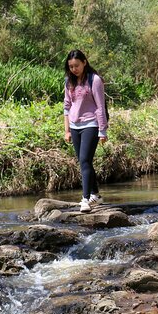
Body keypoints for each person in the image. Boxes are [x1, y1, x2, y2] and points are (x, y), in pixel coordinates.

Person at [63, 49, 109, 213]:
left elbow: (100, 106)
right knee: (85, 162)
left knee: (84, 160)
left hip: (91, 124)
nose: (73, 69)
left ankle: (85, 199)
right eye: (70, 66)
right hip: (75, 126)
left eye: (76, 65)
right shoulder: (69, 81)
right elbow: (67, 106)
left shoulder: (95, 80)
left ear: (84, 62)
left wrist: (102, 130)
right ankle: (96, 194)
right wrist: (67, 130)